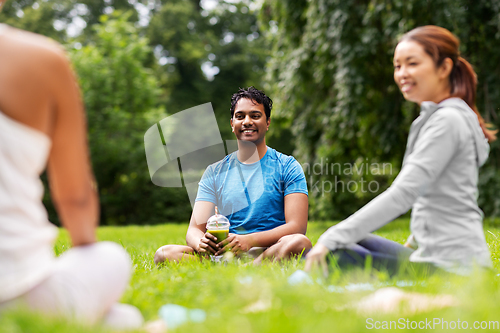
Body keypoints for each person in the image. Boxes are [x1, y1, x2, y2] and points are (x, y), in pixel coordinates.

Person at [305, 25, 497, 276]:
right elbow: (430, 195)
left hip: (457, 268)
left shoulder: (448, 120)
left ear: (444, 68)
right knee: (353, 240)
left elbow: (405, 193)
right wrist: (413, 244)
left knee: (333, 252)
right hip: (431, 257)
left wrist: (330, 238)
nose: (402, 73)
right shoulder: (430, 119)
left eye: (412, 63)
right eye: (398, 66)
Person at [0, 9, 143, 329]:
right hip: (17, 293)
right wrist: (86, 256)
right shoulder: (41, 59)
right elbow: (75, 197)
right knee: (110, 261)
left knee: (119, 319)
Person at [155, 87, 311, 264]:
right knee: (164, 253)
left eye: (255, 115)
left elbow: (297, 227)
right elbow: (193, 230)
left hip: (269, 249)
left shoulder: (288, 166)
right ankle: (233, 267)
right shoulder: (214, 172)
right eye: (240, 116)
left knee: (300, 243)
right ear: (232, 124)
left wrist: (249, 240)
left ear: (267, 122)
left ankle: (251, 267)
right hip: (225, 252)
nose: (247, 121)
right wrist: (202, 244)